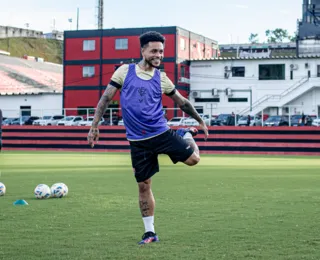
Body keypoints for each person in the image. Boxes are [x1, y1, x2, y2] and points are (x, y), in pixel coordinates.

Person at [87, 31, 209, 245]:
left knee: (194, 160)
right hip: (137, 141)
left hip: (161, 134)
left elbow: (181, 102)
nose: (158, 55)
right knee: (144, 185)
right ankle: (149, 232)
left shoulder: (161, 78)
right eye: (154, 51)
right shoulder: (125, 72)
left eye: (161, 51)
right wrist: (94, 125)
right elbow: (106, 97)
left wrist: (200, 121)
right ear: (142, 50)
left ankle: (186, 134)